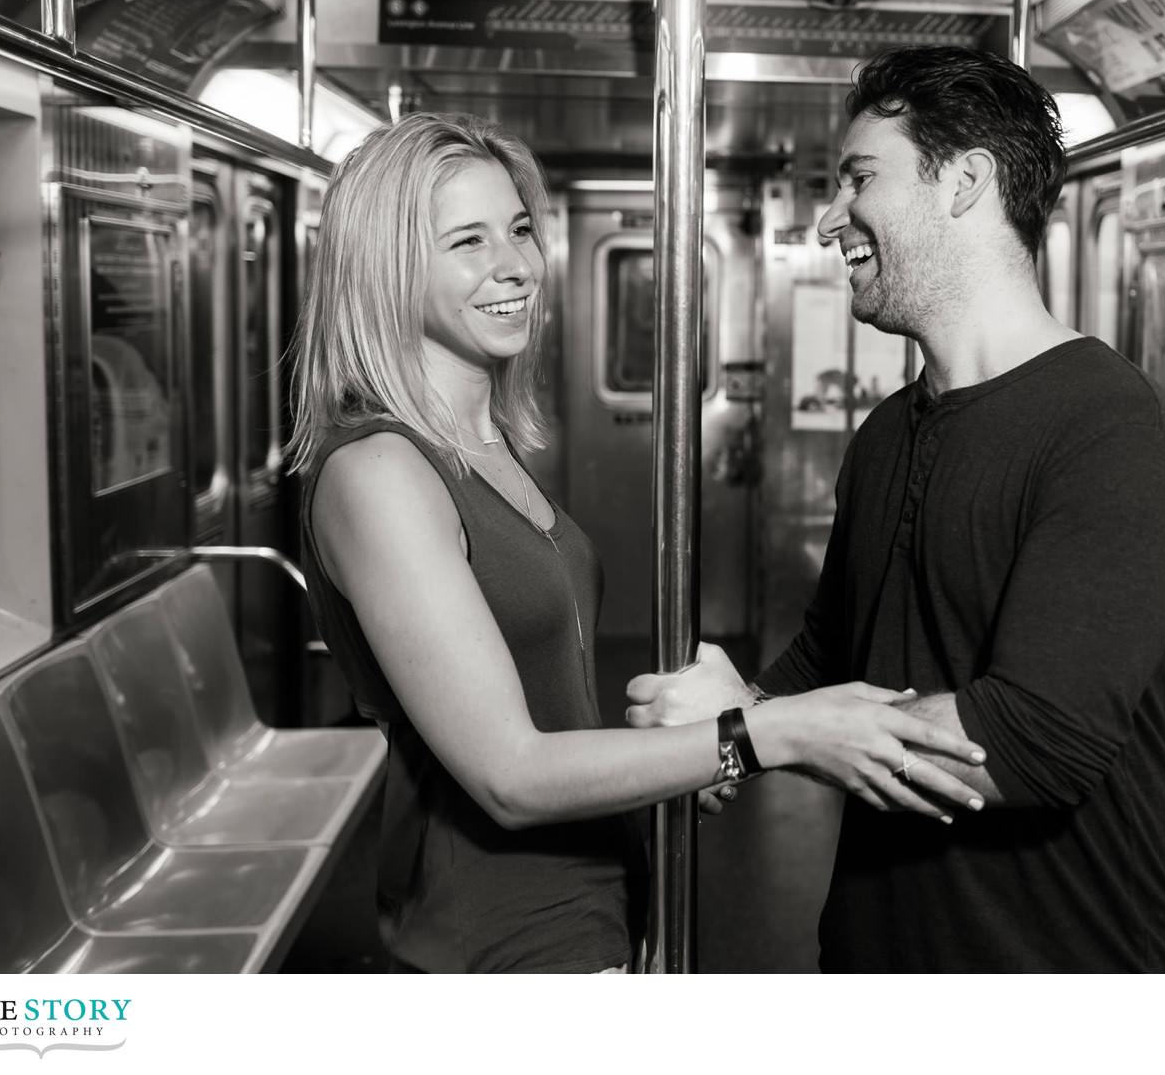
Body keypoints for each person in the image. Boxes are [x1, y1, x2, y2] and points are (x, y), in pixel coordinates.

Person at [286, 111, 989, 974]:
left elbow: (556, 709)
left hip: (592, 911)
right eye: (466, 242)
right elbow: (510, 773)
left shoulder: (486, 447)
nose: (513, 267)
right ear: (385, 269)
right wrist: (770, 734)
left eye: (518, 231)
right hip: (494, 945)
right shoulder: (381, 473)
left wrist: (668, 798)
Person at [627, 46, 1165, 972]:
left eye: (860, 178)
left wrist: (758, 735)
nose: (829, 220)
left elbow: (1028, 745)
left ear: (965, 182)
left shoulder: (1112, 436)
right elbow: (835, 647)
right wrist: (720, 731)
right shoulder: (891, 430)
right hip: (877, 947)